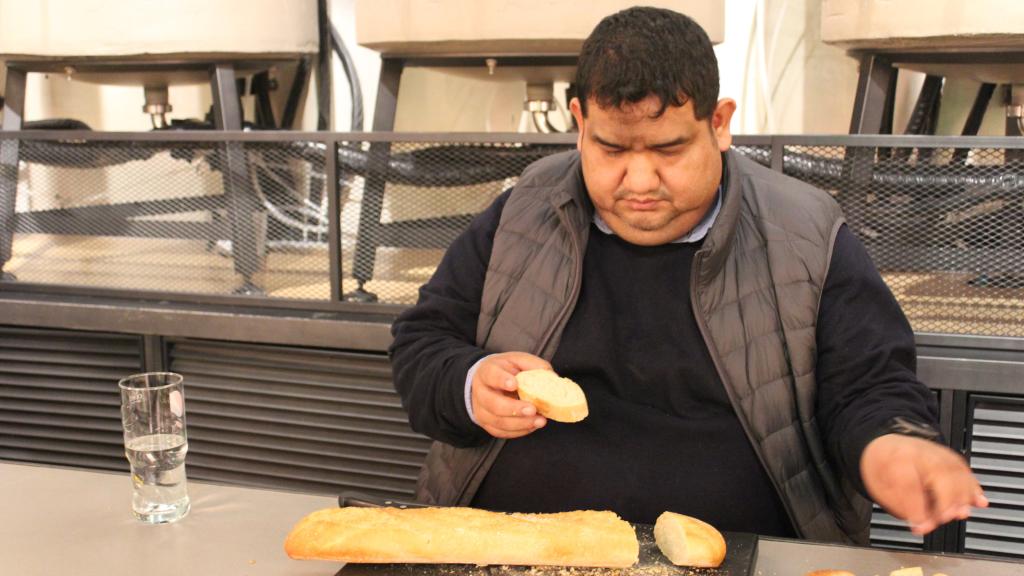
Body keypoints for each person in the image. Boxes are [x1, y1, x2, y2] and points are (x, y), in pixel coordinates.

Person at [388, 6, 986, 544]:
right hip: (507, 545)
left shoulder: (805, 233)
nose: (640, 182)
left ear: (719, 123)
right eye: (613, 150)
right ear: (579, 122)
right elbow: (421, 344)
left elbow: (868, 384)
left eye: (669, 150)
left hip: (736, 551)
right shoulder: (523, 212)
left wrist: (892, 444)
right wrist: (468, 384)